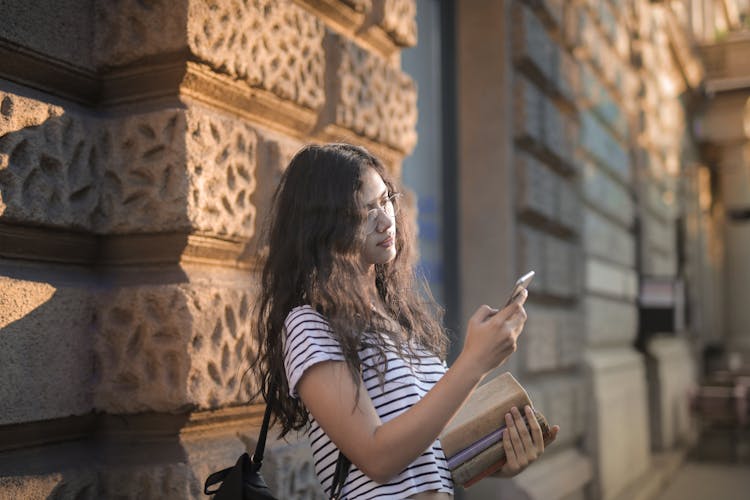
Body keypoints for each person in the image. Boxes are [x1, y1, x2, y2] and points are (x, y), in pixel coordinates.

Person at [253, 143, 559, 499]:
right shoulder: (309, 324)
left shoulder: (399, 320)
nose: (386, 220)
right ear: (325, 226)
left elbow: (432, 454)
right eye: (365, 211)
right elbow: (377, 457)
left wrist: (499, 458)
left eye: (385, 200)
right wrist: (475, 362)